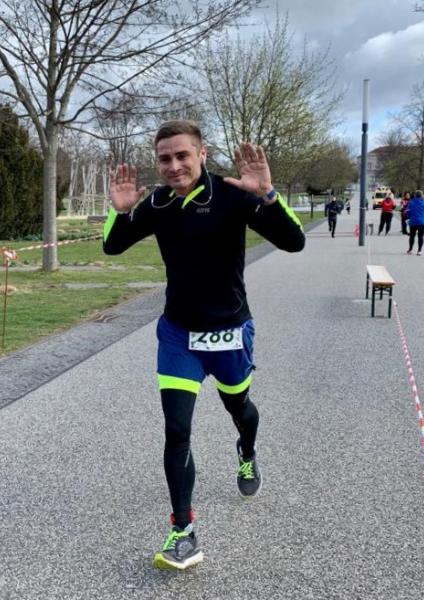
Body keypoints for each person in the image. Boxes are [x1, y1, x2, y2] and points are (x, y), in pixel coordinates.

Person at [103, 120, 305, 571]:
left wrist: (268, 196)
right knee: (177, 431)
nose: (174, 166)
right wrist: (121, 211)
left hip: (229, 332)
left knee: (240, 408)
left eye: (182, 156)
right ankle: (183, 531)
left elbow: (294, 242)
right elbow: (114, 247)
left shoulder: (233, 194)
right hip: (179, 335)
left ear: (202, 154)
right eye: (164, 159)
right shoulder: (157, 203)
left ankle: (247, 452)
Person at [406, 190, 424, 255]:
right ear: (422, 195)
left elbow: (408, 211)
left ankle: (410, 249)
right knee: (421, 236)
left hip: (413, 221)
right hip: (422, 222)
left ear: (415, 195)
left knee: (412, 236)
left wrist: (409, 217)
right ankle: (419, 251)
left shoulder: (411, 202)